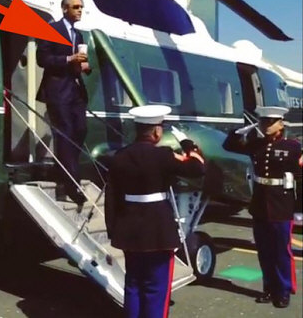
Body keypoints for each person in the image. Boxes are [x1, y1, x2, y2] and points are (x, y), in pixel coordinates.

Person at [105, 105, 205, 318]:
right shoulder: (164, 155)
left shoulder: (119, 156)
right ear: (157, 132)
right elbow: (198, 168)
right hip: (158, 230)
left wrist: (113, 229)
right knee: (156, 288)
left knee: (133, 284)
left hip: (129, 228)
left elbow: (111, 196)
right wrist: (188, 144)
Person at [223, 106, 301, 308]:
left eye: (271, 122)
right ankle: (269, 288)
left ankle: (284, 290)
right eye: (263, 121)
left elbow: (300, 177)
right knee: (264, 251)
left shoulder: (293, 146)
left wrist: (300, 207)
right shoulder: (256, 144)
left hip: (281, 205)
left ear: (281, 124)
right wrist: (237, 132)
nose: (266, 126)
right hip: (259, 205)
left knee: (281, 252)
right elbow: (229, 146)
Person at [36, 0, 91, 206]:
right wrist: (69, 59)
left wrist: (84, 66)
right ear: (65, 9)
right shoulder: (52, 30)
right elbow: (43, 59)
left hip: (75, 90)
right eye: (76, 7)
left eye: (81, 7)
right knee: (66, 131)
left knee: (81, 130)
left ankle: (65, 172)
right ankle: (71, 183)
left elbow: (78, 63)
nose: (80, 10)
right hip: (58, 91)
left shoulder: (78, 35)